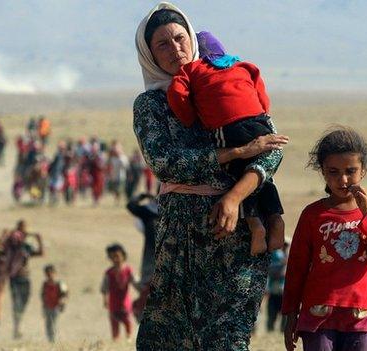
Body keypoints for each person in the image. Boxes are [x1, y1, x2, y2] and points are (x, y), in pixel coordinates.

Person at [133, 3, 288, 350]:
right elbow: (164, 162)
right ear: (149, 54)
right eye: (163, 44)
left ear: (192, 39)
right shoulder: (151, 105)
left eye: (179, 38)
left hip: (240, 233)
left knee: (228, 338)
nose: (175, 50)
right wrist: (233, 153)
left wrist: (234, 197)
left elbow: (271, 148)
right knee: (168, 338)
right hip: (181, 241)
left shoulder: (226, 81)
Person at [167, 31, 285, 256]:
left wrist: (190, 117)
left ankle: (255, 225)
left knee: (235, 170)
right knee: (261, 172)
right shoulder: (243, 65)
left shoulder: (192, 69)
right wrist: (261, 116)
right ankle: (275, 217)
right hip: (259, 122)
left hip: (228, 127)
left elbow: (177, 93)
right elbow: (262, 93)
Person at [282, 127, 367, 351]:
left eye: (350, 171)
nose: (342, 179)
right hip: (317, 315)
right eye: (333, 171)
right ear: (323, 172)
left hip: (359, 315)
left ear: (363, 171)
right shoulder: (313, 214)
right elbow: (297, 267)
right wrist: (290, 313)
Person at [1, 220, 44, 339]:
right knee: (16, 303)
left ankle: (18, 325)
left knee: (24, 302)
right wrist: (4, 235)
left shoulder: (26, 247)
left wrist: (39, 240)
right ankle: (17, 329)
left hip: (25, 277)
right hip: (15, 278)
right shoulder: (10, 246)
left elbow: (41, 253)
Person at [126, 193, 158, 322]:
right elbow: (131, 205)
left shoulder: (175, 209)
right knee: (146, 291)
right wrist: (142, 196)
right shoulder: (148, 212)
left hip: (171, 259)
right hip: (150, 260)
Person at [101, 244, 138, 341]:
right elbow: (104, 288)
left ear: (123, 256)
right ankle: (115, 341)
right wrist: (105, 300)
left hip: (125, 304)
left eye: (117, 256)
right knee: (114, 325)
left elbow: (135, 283)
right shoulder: (108, 273)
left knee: (128, 322)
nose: (115, 259)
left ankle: (129, 339)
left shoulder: (128, 270)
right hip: (113, 304)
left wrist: (143, 290)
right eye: (112, 257)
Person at [40, 264, 68, 343]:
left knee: (54, 324)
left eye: (50, 273)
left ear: (54, 273)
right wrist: (43, 307)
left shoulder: (59, 283)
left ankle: (54, 340)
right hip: (47, 307)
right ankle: (50, 340)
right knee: (48, 325)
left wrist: (62, 302)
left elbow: (65, 294)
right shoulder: (45, 284)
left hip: (56, 307)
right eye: (47, 274)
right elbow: (43, 296)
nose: (49, 275)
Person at [266, 242, 289, 333]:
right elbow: (272, 270)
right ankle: (270, 331)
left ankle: (282, 331)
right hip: (275, 290)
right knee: (272, 314)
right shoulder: (276, 255)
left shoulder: (286, 256)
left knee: (284, 315)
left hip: (283, 292)